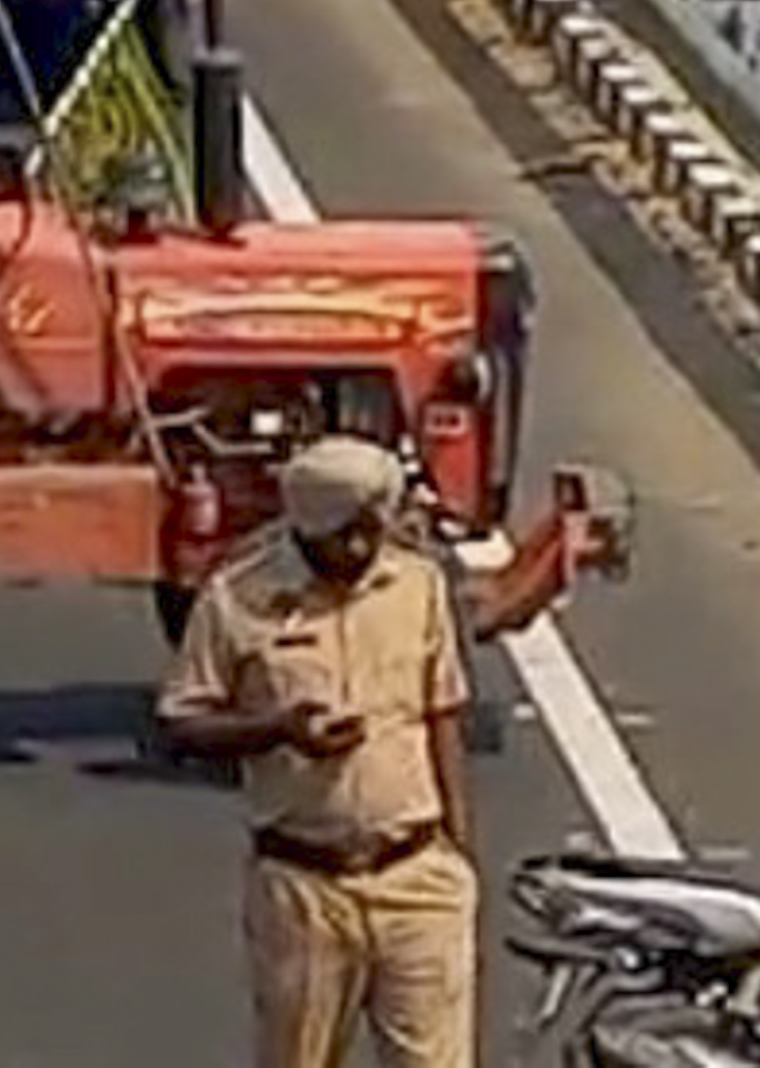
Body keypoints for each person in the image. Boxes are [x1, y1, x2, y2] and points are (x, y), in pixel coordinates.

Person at [156, 434, 478, 1068]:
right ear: (305, 528)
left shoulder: (417, 585)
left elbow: (443, 714)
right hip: (304, 890)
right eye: (342, 537)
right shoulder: (236, 600)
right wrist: (277, 729)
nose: (358, 550)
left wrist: (459, 852)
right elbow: (183, 721)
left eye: (369, 532)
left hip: (417, 877)